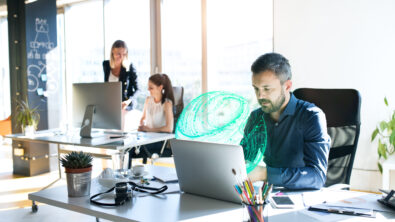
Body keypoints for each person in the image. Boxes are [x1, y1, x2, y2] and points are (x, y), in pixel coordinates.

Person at [241, 53, 331, 190]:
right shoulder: (256, 118)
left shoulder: (312, 116)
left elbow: (317, 177)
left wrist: (264, 173)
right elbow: (243, 161)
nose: (260, 96)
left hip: (304, 197)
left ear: (287, 86)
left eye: (267, 89)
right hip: (268, 194)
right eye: (256, 89)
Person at [128, 73, 175, 166]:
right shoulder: (148, 100)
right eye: (148, 87)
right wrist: (141, 125)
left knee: (129, 150)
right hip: (146, 138)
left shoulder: (167, 104)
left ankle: (126, 176)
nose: (148, 90)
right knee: (126, 147)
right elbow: (143, 118)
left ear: (160, 87)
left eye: (151, 87)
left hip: (158, 142)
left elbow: (169, 128)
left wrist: (149, 130)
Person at [103, 40, 138, 111]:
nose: (121, 57)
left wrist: (128, 101)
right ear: (113, 51)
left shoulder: (129, 67)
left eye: (124, 54)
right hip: (110, 103)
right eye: (118, 54)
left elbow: (138, 89)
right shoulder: (106, 65)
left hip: (125, 105)